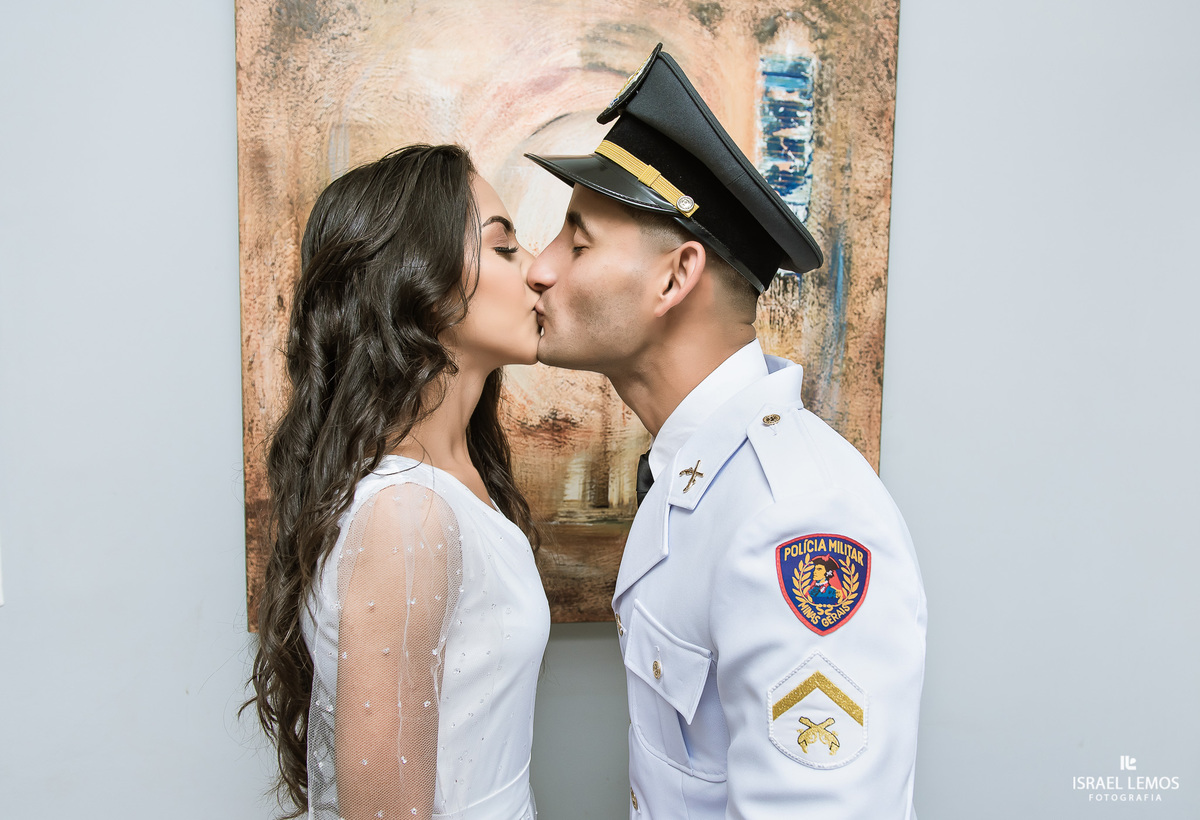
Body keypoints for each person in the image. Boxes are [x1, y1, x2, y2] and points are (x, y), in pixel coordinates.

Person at [525, 45, 926, 818]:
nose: (540, 271)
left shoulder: (797, 518)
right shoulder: (694, 476)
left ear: (676, 277)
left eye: (576, 242)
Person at [248, 144, 549, 820]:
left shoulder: (459, 484)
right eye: (504, 250)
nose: (539, 274)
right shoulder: (407, 512)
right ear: (422, 281)